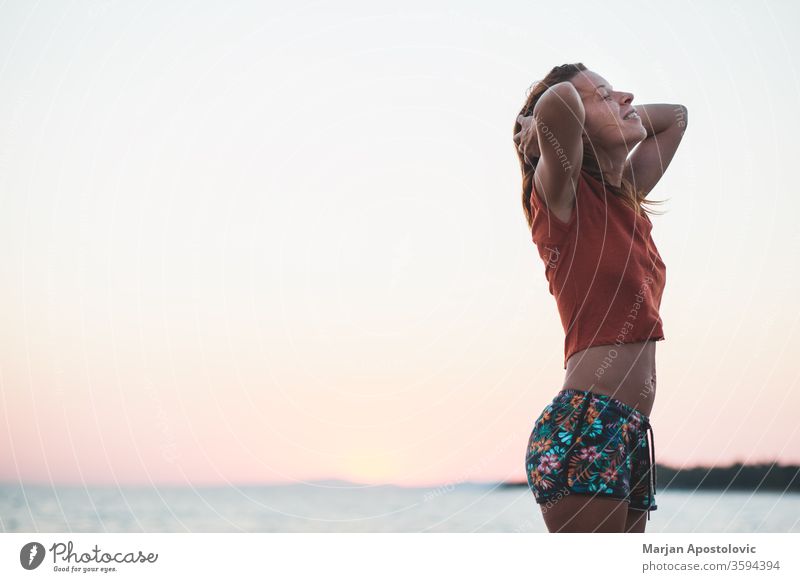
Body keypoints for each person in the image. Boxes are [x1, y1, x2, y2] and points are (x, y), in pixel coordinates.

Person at [513, 63, 688, 532]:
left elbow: (675, 116)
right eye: (606, 96)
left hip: (629, 430)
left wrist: (607, 114)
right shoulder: (562, 199)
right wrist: (531, 133)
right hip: (586, 422)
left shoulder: (623, 198)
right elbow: (561, 101)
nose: (627, 97)